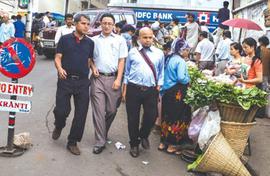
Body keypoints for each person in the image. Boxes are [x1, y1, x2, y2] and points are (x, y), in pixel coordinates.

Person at [52, 14, 94, 155]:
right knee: (61, 110)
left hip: (82, 82)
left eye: (88, 24)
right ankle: (59, 124)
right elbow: (58, 57)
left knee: (81, 114)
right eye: (83, 23)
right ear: (76, 24)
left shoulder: (90, 43)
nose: (86, 26)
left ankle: (72, 142)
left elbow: (89, 60)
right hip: (65, 80)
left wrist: (92, 68)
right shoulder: (65, 39)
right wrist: (60, 68)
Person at [122, 27, 164, 158]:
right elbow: (127, 72)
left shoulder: (159, 53)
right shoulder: (133, 52)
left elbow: (161, 71)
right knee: (132, 118)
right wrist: (124, 89)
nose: (147, 40)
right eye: (145, 37)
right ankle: (134, 144)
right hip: (133, 89)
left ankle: (144, 135)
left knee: (152, 116)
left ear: (153, 38)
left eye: (150, 37)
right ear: (139, 38)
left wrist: (159, 85)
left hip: (151, 90)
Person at [89, 13, 128, 154]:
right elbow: (89, 58)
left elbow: (122, 60)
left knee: (111, 110)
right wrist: (93, 68)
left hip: (113, 79)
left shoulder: (120, 40)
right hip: (97, 79)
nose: (106, 26)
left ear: (113, 25)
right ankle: (100, 141)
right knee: (98, 111)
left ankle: (103, 131)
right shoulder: (93, 40)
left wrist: (118, 79)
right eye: (104, 23)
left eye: (109, 23)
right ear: (100, 23)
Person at [158, 38, 191, 154]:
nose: (188, 52)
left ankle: (163, 143)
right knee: (177, 117)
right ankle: (172, 145)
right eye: (186, 49)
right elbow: (181, 78)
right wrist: (189, 78)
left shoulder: (170, 58)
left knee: (167, 116)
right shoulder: (181, 61)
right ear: (182, 50)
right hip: (177, 93)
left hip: (167, 92)